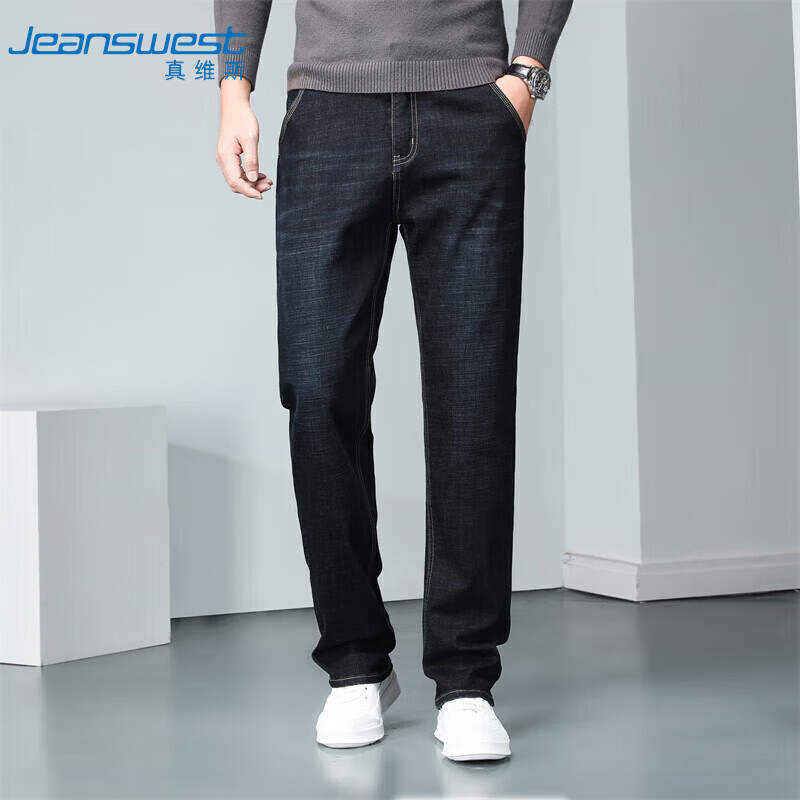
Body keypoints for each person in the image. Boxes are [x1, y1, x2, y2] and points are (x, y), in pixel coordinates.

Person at [213, 0, 572, 762]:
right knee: (317, 391)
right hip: (328, 113)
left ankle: (467, 679)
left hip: (470, 107)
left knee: (473, 399)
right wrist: (233, 89)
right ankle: (355, 663)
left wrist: (527, 74)